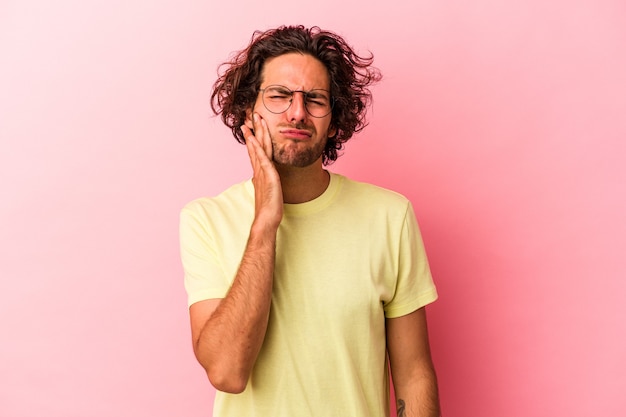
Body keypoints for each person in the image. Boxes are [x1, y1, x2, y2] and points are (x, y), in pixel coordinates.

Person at [179, 25, 441, 417]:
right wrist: (266, 219)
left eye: (315, 99)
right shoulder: (206, 220)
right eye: (280, 96)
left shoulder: (390, 216)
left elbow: (413, 373)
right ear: (249, 111)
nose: (297, 112)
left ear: (335, 121)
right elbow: (227, 371)